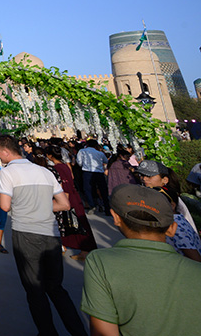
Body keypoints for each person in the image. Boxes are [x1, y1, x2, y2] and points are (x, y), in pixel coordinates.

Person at [0, 135, 87, 336]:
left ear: (4, 151)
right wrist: (42, 207)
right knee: (56, 288)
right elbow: (64, 204)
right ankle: (79, 331)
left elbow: (5, 205)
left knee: (35, 290)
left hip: (26, 234)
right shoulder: (44, 171)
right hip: (51, 234)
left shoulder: (8, 172)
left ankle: (47, 332)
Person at [81, 184, 201, 335]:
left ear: (116, 218)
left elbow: (104, 331)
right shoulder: (196, 271)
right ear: (172, 228)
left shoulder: (99, 262)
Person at [46, 145, 97, 261]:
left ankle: (84, 251)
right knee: (76, 223)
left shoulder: (57, 168)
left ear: (50, 156)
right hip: (73, 196)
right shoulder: (65, 166)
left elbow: (63, 186)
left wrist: (63, 200)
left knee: (75, 224)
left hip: (67, 198)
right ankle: (73, 247)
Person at [75, 140, 109, 214]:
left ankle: (92, 205)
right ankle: (107, 207)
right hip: (99, 172)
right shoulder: (100, 153)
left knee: (88, 189)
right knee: (103, 190)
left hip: (87, 172)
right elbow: (106, 161)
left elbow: (79, 163)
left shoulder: (82, 151)